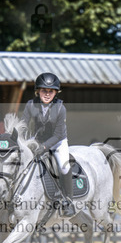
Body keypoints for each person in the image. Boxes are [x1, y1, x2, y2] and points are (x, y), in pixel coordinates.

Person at [21, 72, 76, 217]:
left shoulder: (60, 108)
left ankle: (68, 201)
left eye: (51, 91)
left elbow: (58, 135)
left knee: (64, 166)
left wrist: (44, 147)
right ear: (37, 91)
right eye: (44, 90)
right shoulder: (31, 105)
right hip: (37, 140)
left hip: (57, 142)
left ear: (56, 93)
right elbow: (23, 125)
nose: (47, 94)